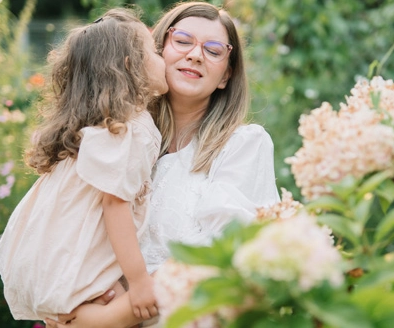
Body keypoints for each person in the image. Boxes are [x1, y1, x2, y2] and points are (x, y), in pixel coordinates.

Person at [45, 2, 280, 327]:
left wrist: (112, 311)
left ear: (226, 75)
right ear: (153, 54)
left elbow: (229, 261)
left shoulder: (243, 145)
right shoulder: (118, 140)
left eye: (213, 50)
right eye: (182, 40)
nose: (196, 55)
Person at [0, 8, 168, 323]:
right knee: (167, 293)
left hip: (55, 261)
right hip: (76, 265)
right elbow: (115, 205)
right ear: (132, 67)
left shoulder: (102, 127)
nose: (163, 59)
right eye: (155, 52)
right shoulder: (129, 128)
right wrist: (140, 281)